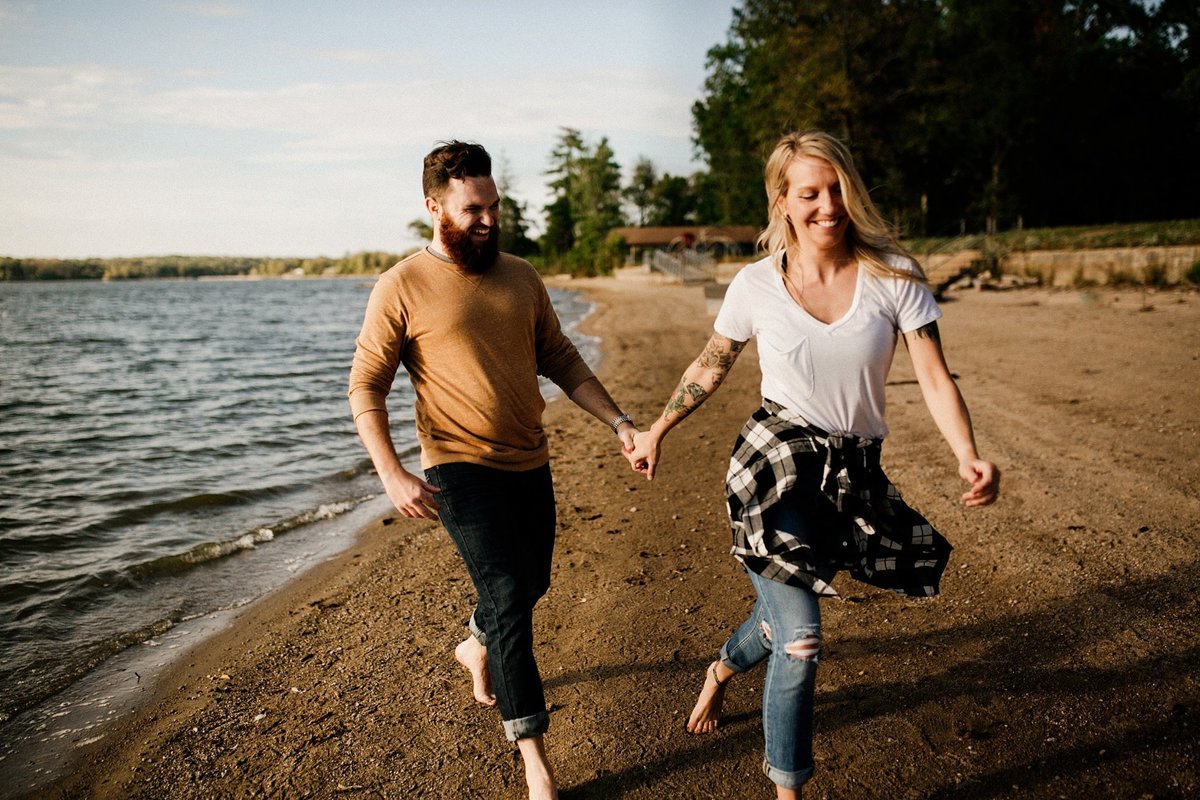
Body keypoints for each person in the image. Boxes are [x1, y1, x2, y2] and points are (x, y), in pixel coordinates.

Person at [625, 130, 999, 798]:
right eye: (810, 193)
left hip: (851, 478)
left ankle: (720, 670)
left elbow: (936, 378)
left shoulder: (894, 276)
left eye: (837, 189)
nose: (828, 205)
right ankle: (788, 788)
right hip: (774, 472)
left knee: (778, 622)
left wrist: (969, 454)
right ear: (783, 202)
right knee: (802, 638)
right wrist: (658, 428)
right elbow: (712, 364)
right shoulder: (754, 284)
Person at [348, 140, 637, 800]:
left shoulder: (520, 276)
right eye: (472, 208)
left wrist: (619, 423)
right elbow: (366, 386)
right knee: (510, 594)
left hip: (527, 459)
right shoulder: (401, 285)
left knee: (530, 582)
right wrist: (391, 473)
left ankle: (475, 646)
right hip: (457, 469)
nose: (488, 219)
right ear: (433, 206)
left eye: (494, 206)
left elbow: (561, 359)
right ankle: (535, 761)